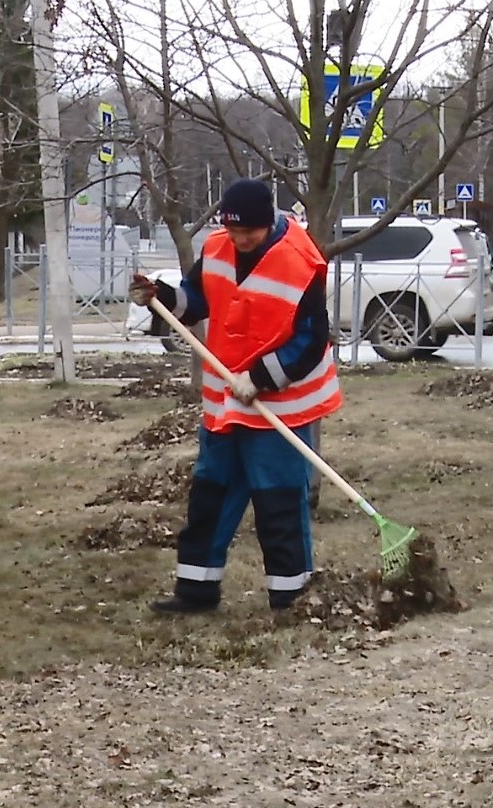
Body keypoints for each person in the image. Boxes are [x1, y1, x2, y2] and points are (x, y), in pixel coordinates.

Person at [130, 179, 341, 612]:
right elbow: (196, 299)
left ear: (269, 224)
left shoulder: (300, 262)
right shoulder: (218, 246)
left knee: (278, 500)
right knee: (211, 493)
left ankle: (291, 598)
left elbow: (311, 339)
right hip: (225, 404)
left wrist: (261, 377)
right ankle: (195, 591)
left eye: (250, 232)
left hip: (280, 405)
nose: (241, 239)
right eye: (235, 230)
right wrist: (161, 296)